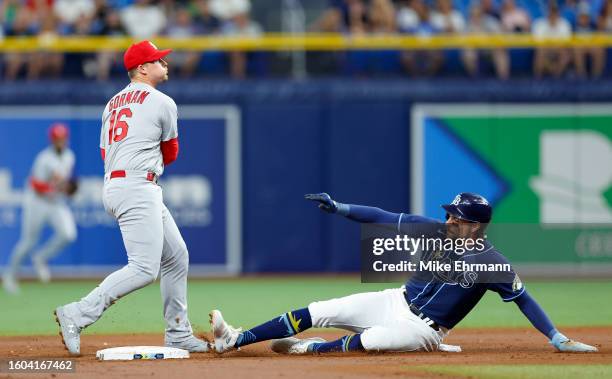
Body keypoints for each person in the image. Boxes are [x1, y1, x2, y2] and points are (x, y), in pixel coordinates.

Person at [210, 192, 597, 355]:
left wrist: (558, 338)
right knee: (319, 309)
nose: (448, 220)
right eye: (448, 214)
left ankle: (310, 349)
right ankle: (237, 339)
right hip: (395, 299)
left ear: (476, 225)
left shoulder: (491, 263)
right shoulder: (433, 229)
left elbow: (523, 300)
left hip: (426, 330)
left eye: (457, 217)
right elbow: (380, 217)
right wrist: (341, 207)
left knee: (375, 341)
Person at [53, 40, 208, 356]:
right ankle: (78, 313)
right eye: (158, 60)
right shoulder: (162, 101)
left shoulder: (111, 103)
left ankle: (178, 332)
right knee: (144, 269)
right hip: (137, 186)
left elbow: (103, 152)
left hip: (118, 183)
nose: (164, 64)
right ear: (142, 68)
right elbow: (172, 153)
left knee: (176, 255)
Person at [2, 123, 77, 294]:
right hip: (37, 202)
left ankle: (41, 257)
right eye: (57, 138)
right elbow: (36, 184)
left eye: (63, 138)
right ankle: (10, 276)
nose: (60, 141)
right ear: (52, 140)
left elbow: (67, 181)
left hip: (56, 203)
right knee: (28, 242)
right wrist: (59, 189)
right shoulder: (44, 158)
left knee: (68, 234)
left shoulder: (69, 156)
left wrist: (67, 188)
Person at [532, 4, 572, 78]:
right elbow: (538, 43)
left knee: (566, 54)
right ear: (547, 13)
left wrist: (555, 46)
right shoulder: (539, 23)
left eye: (554, 13)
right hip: (545, 49)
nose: (552, 15)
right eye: (551, 12)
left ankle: (557, 75)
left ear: (558, 13)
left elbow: (566, 42)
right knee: (540, 52)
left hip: (559, 48)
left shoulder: (564, 23)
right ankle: (538, 78)